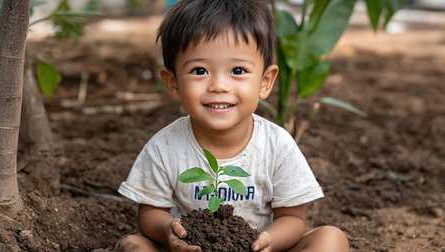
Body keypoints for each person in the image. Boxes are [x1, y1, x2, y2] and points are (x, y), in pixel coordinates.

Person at [115, 0, 349, 251]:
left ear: (265, 81)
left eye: (237, 70)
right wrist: (169, 232)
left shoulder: (276, 144)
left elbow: (292, 218)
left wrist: (267, 241)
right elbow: (150, 213)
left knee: (331, 238)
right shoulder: (165, 146)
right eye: (199, 70)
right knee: (132, 245)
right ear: (172, 83)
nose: (219, 85)